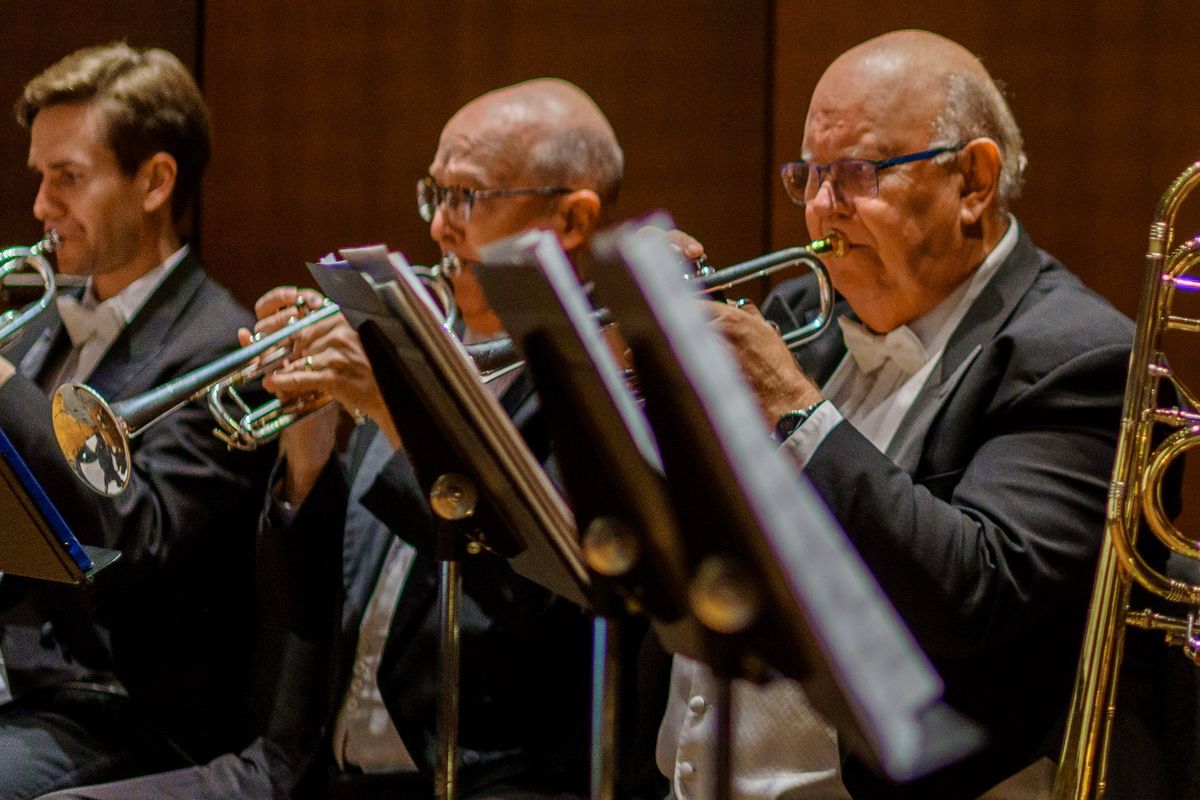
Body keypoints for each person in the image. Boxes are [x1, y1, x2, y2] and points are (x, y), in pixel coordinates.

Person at [38, 77, 654, 800]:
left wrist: (398, 413)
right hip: (306, 770)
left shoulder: (603, 393)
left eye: (467, 198)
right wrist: (309, 445)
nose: (439, 229)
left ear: (571, 218)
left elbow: (539, 617)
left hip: (480, 780)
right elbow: (297, 607)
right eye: (435, 195)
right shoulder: (411, 346)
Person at [663, 29, 1141, 799]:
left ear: (973, 181)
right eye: (808, 176)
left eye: (856, 173)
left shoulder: (1079, 358)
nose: (822, 206)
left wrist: (792, 407)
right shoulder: (801, 313)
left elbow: (972, 597)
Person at [0, 43, 275, 799]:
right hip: (18, 680)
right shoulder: (36, 330)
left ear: (155, 181)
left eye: (69, 178)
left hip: (120, 708)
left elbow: (141, 546)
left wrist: (5, 390)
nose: (40, 206)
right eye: (39, 177)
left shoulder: (224, 346)